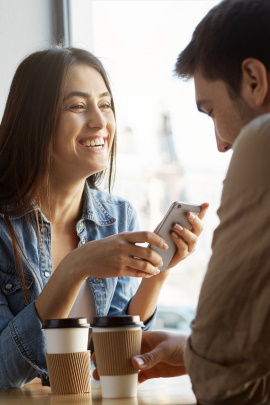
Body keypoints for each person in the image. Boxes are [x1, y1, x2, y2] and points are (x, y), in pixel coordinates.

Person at [0, 46, 207, 388]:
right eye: (78, 106)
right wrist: (74, 268)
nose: (100, 122)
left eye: (105, 104)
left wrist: (157, 271)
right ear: (34, 118)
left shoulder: (117, 216)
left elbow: (109, 352)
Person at [129, 0, 270, 404]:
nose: (222, 144)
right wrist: (192, 353)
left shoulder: (262, 142)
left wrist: (200, 355)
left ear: (254, 80)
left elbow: (220, 382)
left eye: (210, 111)